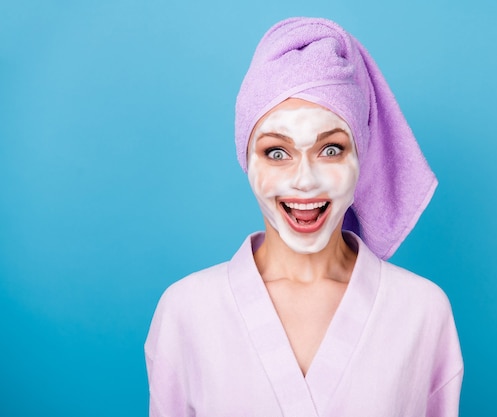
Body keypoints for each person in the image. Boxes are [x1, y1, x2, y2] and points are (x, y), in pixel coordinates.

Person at [145, 17, 463, 417]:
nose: (305, 181)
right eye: (276, 152)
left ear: (361, 158)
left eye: (331, 149)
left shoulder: (422, 311)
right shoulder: (185, 312)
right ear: (246, 160)